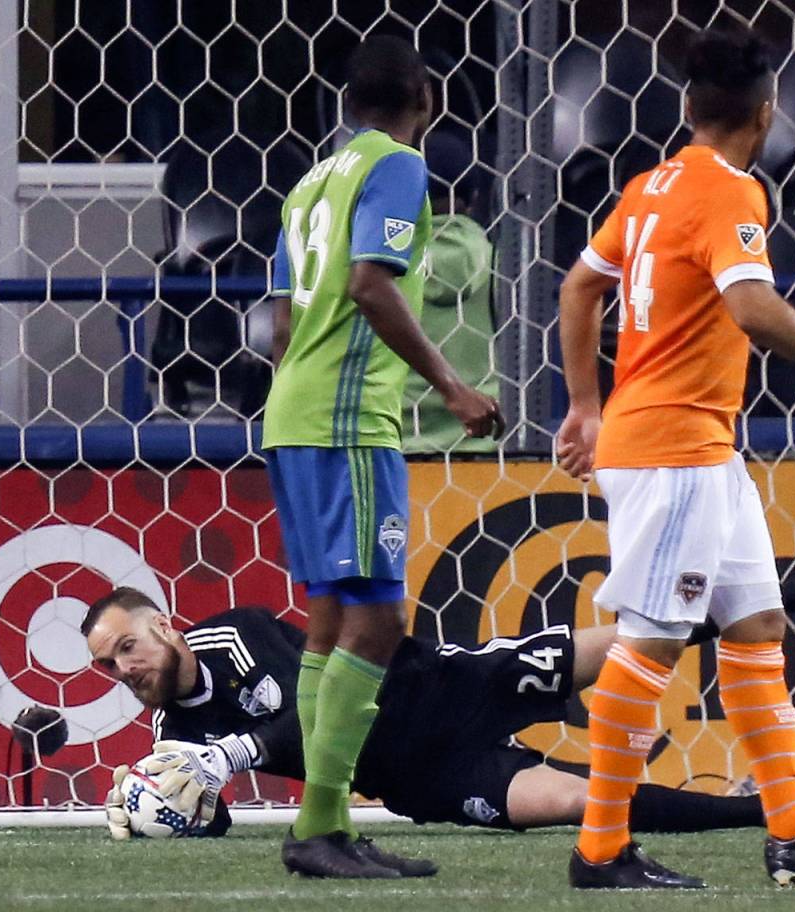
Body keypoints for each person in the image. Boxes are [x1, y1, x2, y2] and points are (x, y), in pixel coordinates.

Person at [555, 27, 795, 889]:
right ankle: (599, 850)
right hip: (673, 450)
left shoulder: (650, 185)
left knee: (756, 624)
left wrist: (585, 406)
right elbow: (750, 305)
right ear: (767, 112)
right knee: (652, 642)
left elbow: (579, 285)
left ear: (687, 105)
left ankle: (793, 828)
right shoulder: (731, 190)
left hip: (699, 449)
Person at [83, 548, 795, 844]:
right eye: (109, 667)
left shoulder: (235, 633)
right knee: (580, 801)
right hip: (421, 778)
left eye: (127, 646)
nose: (125, 668)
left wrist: (236, 751)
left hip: (440, 687)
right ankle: (780, 813)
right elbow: (211, 821)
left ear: (166, 626)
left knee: (635, 642)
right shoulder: (172, 736)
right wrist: (158, 808)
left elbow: (319, 707)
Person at [258, 35, 503, 878]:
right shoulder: (396, 166)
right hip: (347, 420)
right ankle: (319, 826)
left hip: (292, 412)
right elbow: (371, 282)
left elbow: (283, 323)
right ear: (423, 101)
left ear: (346, 104)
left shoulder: (307, 186)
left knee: (331, 615)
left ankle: (322, 824)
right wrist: (451, 387)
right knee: (380, 619)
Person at [402, 130, 500, 454]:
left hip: (397, 442)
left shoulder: (379, 264)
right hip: (478, 439)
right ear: (474, 196)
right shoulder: (497, 260)